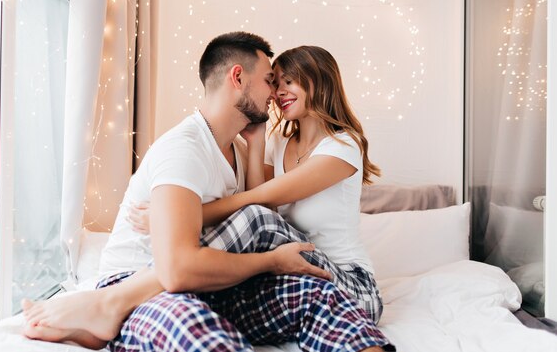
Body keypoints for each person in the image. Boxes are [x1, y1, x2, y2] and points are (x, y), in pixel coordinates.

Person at [22, 32, 393, 352]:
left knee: (313, 289)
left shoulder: (333, 146)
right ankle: (107, 303)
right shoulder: (185, 148)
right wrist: (270, 259)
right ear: (238, 77)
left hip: (315, 275)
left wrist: (195, 214)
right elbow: (200, 254)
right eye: (271, 80)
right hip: (149, 279)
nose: (275, 93)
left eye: (286, 83)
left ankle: (106, 305)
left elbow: (257, 204)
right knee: (205, 311)